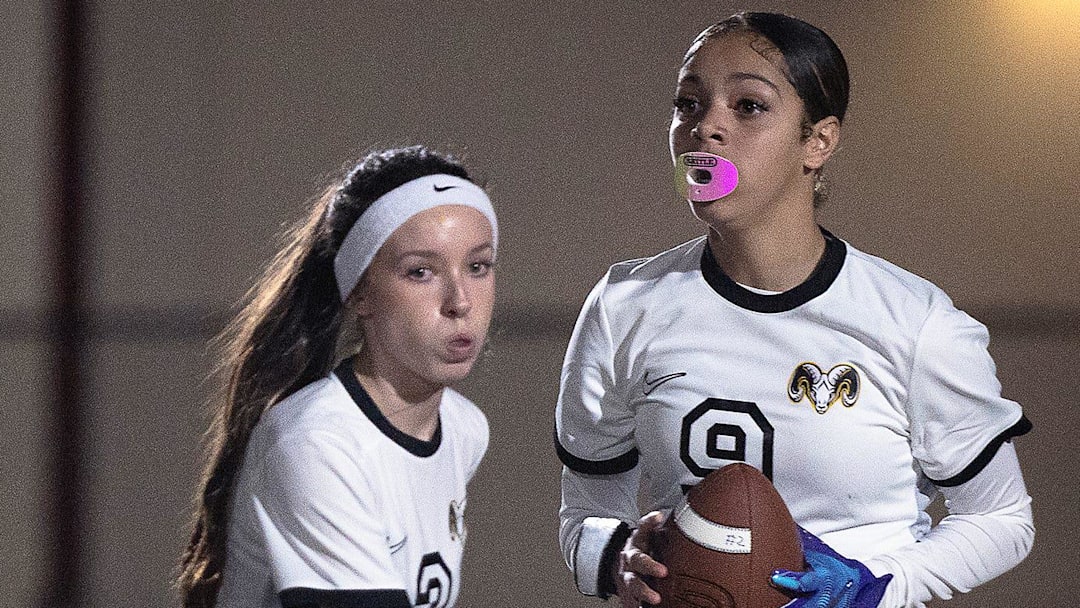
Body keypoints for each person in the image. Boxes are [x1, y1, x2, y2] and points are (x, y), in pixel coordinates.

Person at [554, 12, 1033, 608]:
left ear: (818, 141)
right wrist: (616, 559)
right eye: (688, 103)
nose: (706, 128)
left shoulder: (915, 323)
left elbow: (1003, 520)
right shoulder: (624, 306)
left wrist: (875, 586)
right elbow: (585, 515)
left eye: (748, 106)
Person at [177, 145, 498, 608]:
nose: (460, 301)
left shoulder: (464, 429)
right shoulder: (316, 443)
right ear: (359, 293)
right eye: (421, 272)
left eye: (478, 266)